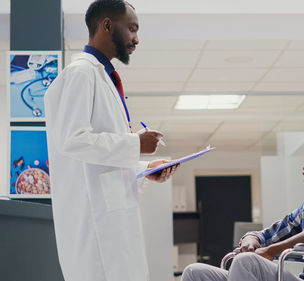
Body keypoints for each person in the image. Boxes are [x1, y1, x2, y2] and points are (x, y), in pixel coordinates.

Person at [44, 1, 178, 281]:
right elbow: (72, 141)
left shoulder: (101, 77)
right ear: (107, 25)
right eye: (131, 29)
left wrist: (143, 169)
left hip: (111, 224)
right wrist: (135, 144)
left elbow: (101, 165)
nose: (136, 39)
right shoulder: (81, 73)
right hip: (95, 231)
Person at [182, 125, 304, 281]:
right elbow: (269, 234)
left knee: (247, 262)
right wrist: (252, 240)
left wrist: (273, 250)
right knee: (195, 272)